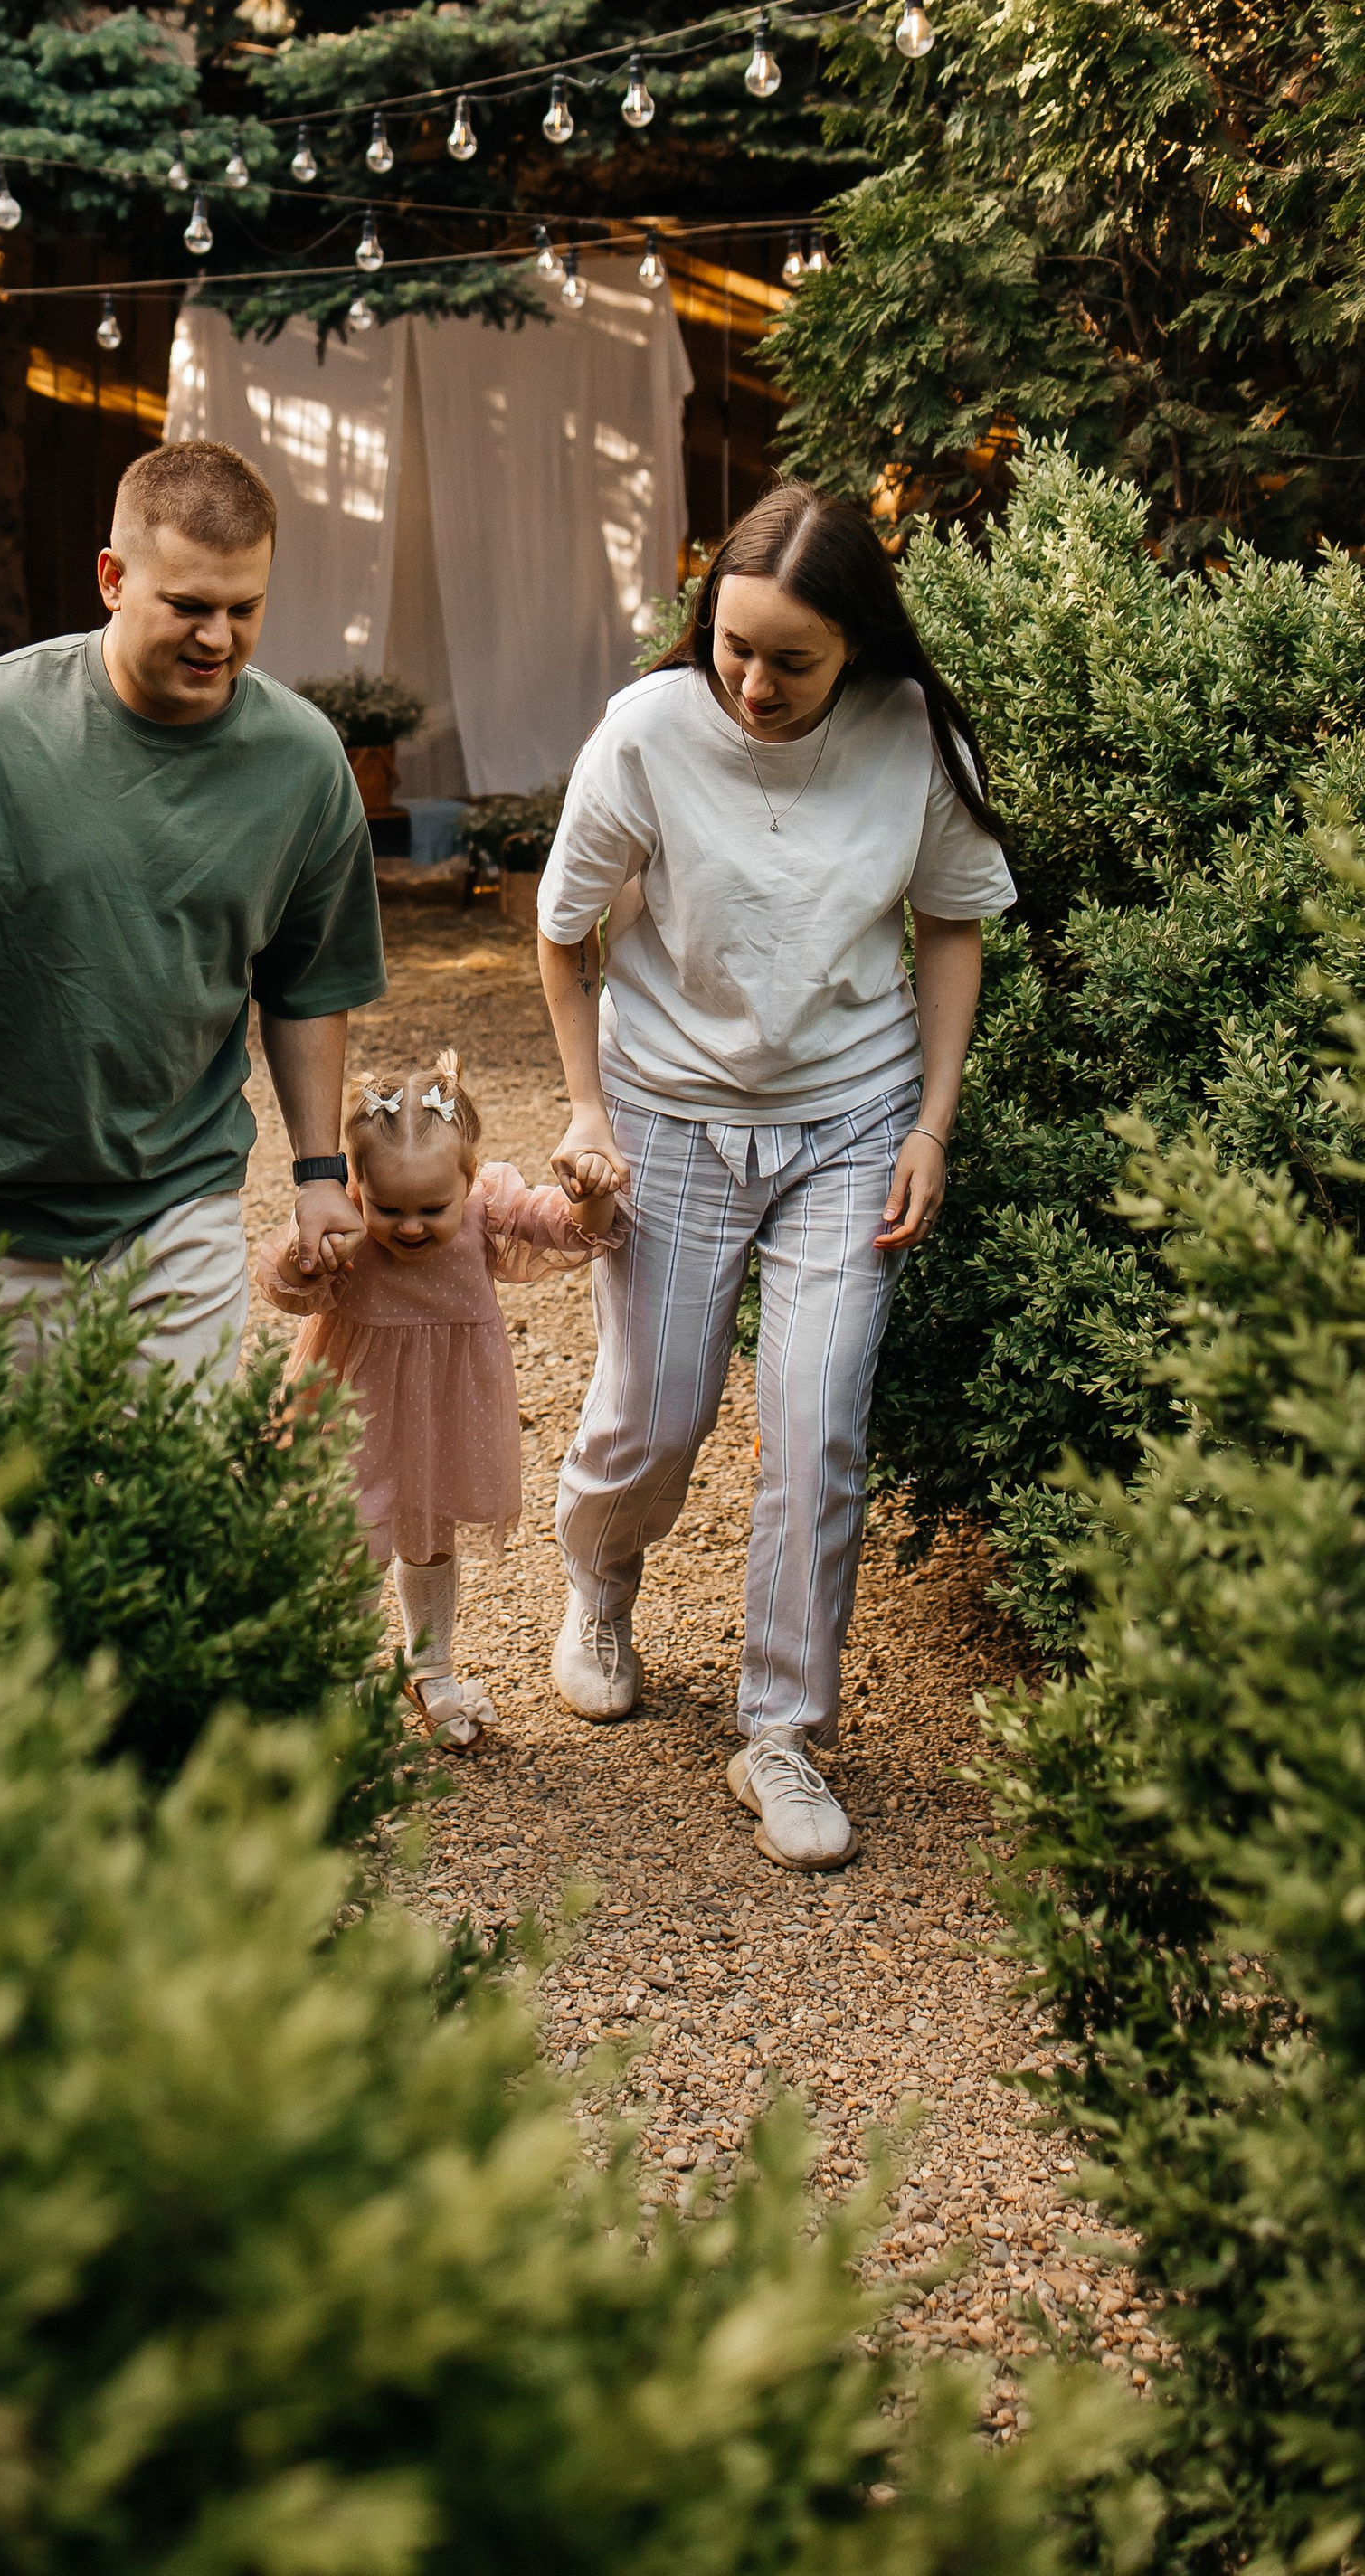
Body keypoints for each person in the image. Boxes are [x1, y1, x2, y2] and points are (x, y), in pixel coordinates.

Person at [536, 482, 1017, 1871]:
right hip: (670, 1117)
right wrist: (585, 1111)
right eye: (731, 646)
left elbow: (949, 927)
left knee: (816, 1425)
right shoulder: (646, 733)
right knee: (659, 1411)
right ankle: (601, 1578)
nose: (751, 681)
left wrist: (930, 1123)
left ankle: (782, 1737)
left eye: (790, 659)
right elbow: (563, 937)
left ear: (856, 644)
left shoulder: (909, 735)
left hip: (851, 1121)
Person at [0, 437, 386, 1375]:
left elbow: (308, 984)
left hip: (175, 1209)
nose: (217, 638)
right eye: (187, 606)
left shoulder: (304, 760)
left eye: (245, 608)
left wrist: (320, 1175)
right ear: (112, 578)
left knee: (166, 1512)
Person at [258, 1049, 620, 1747]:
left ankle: (431, 1668)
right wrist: (309, 1256)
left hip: (447, 1409)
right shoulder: (349, 1226)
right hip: (354, 1406)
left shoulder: (488, 1205)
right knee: (353, 1539)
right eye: (389, 1207)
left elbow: (570, 1228)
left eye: (433, 1207)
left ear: (471, 1178)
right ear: (355, 1184)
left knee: (430, 1538)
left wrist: (590, 1186)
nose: (412, 1225)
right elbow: (289, 1290)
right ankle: (353, 1672)